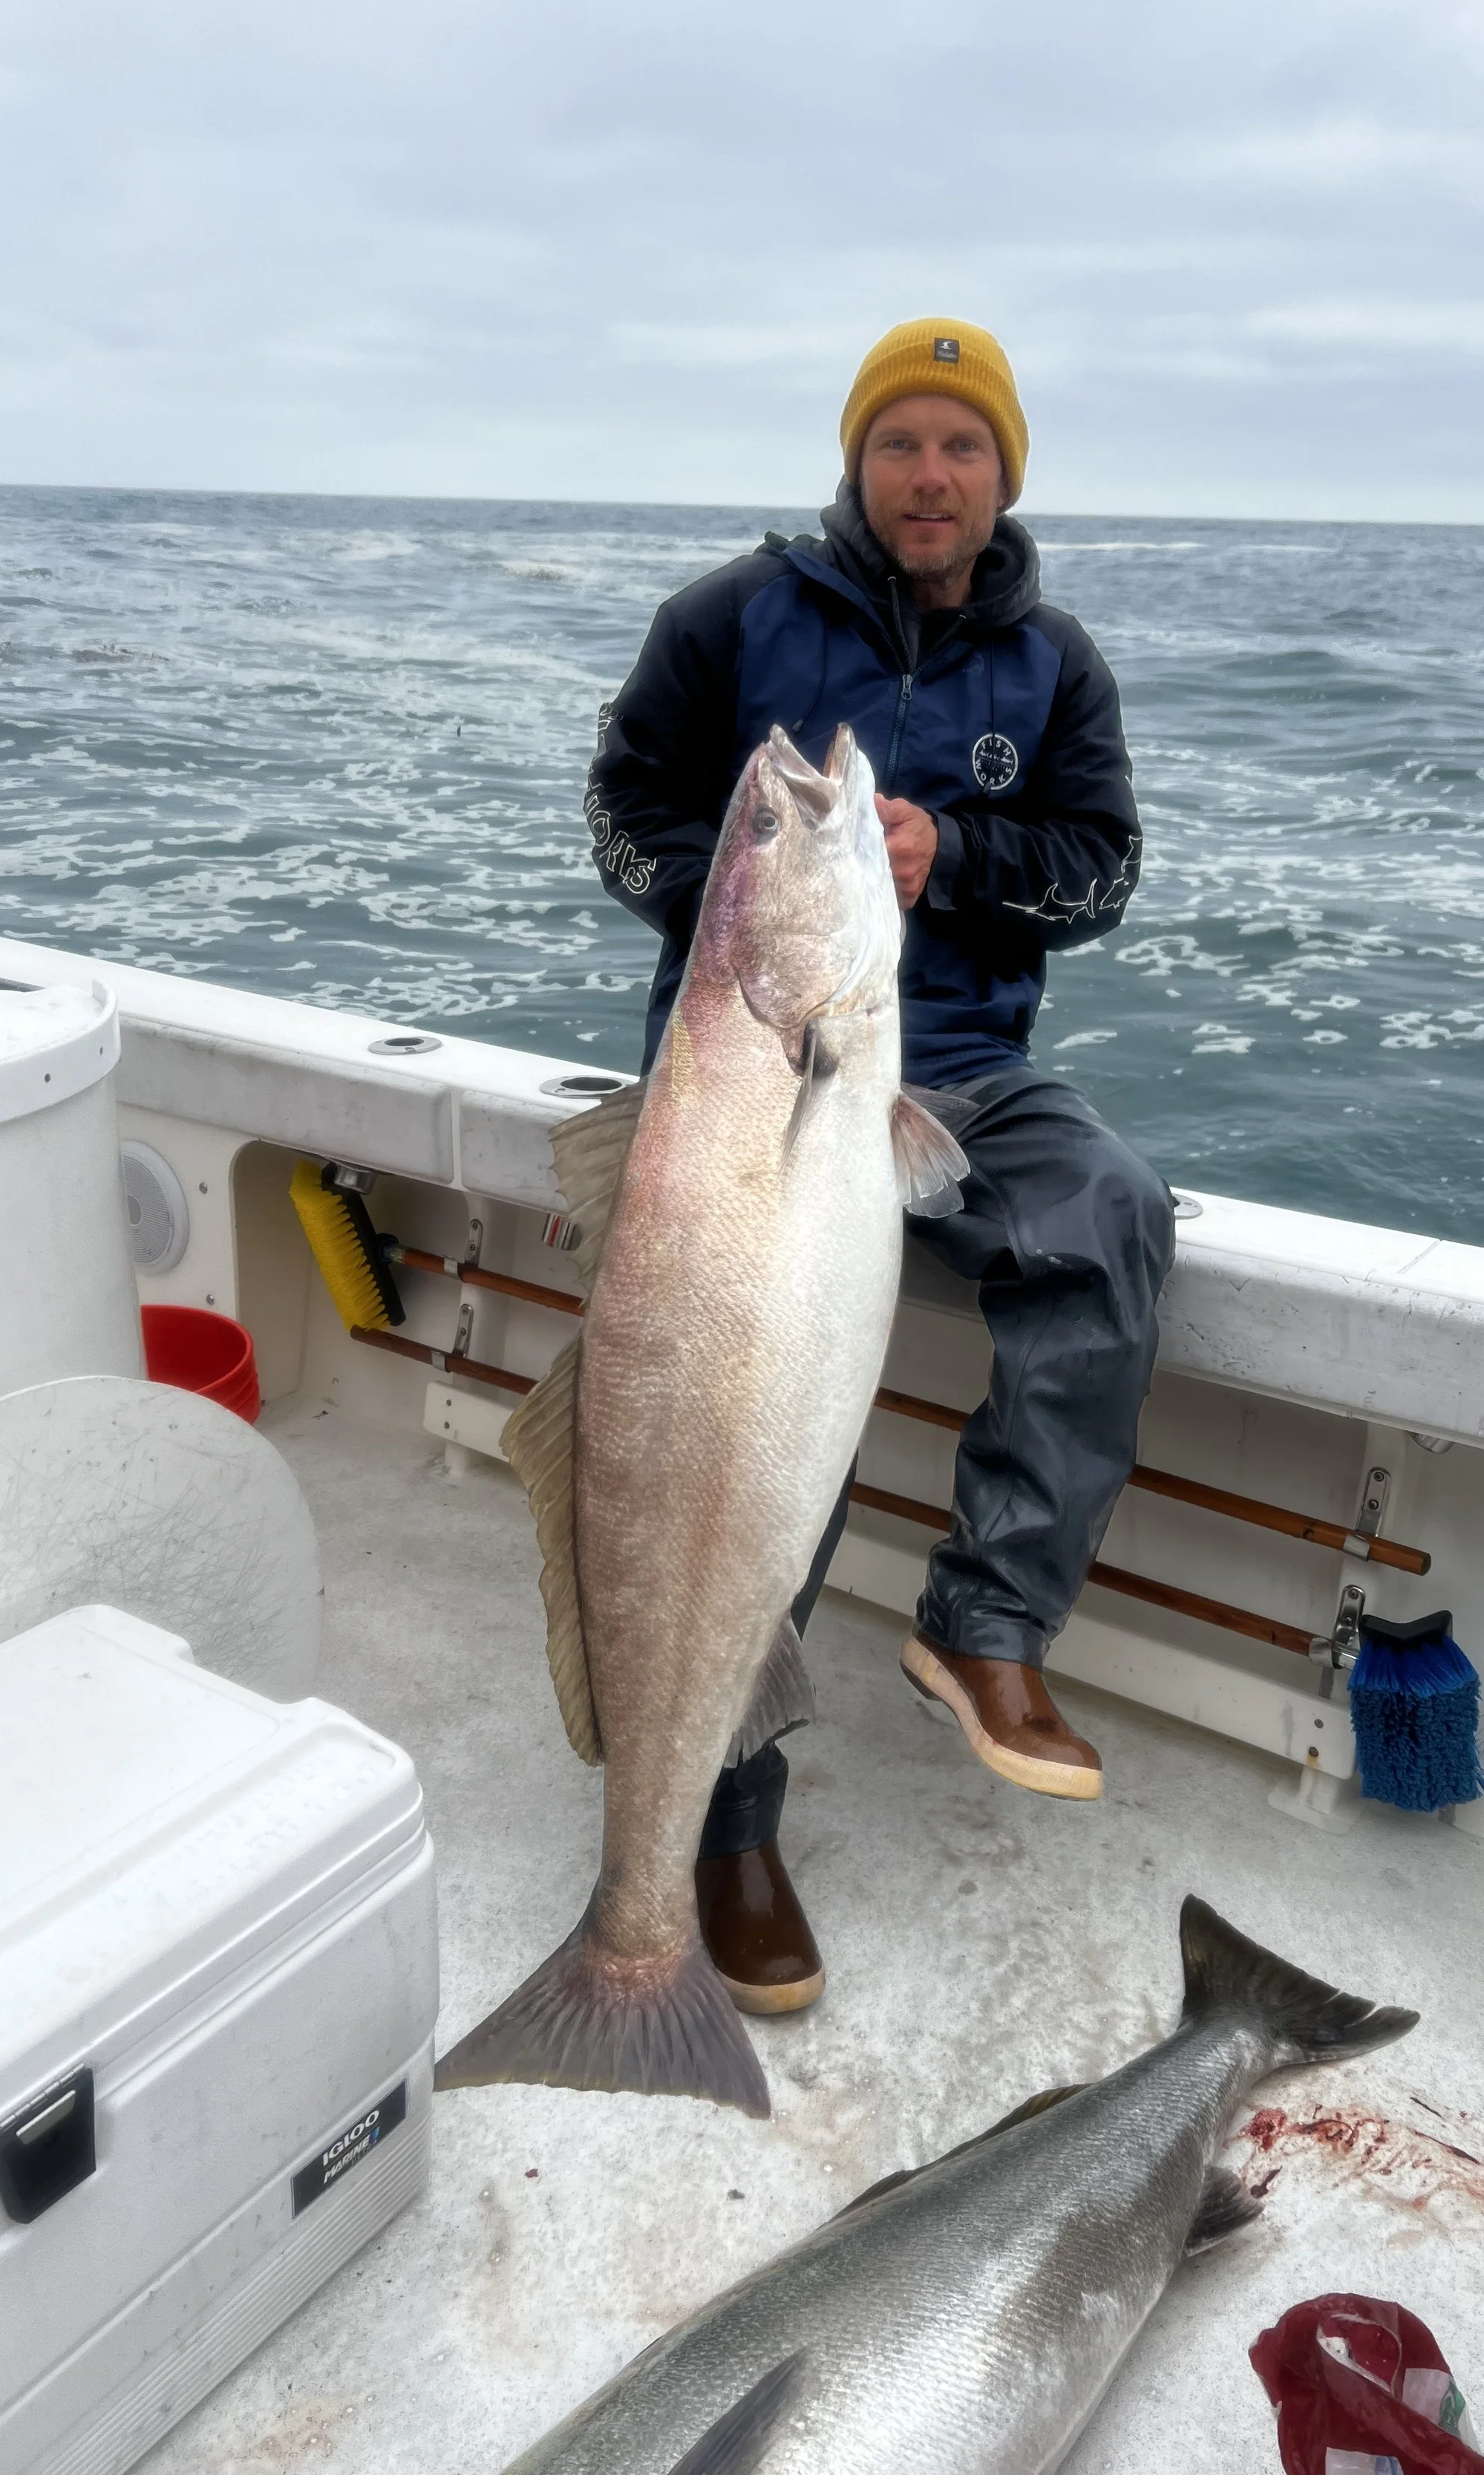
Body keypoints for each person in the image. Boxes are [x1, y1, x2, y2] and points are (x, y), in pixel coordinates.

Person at [585, 317, 1174, 2018]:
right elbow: (623, 806)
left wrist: (954, 853)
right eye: (899, 443)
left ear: (1002, 473)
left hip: (952, 1074)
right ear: (854, 463)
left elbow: (1098, 870)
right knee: (768, 1417)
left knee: (1111, 1209)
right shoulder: (727, 620)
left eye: (961, 447)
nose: (930, 476)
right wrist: (754, 873)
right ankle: (720, 1828)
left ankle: (983, 1624)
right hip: (739, 1094)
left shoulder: (1054, 662)